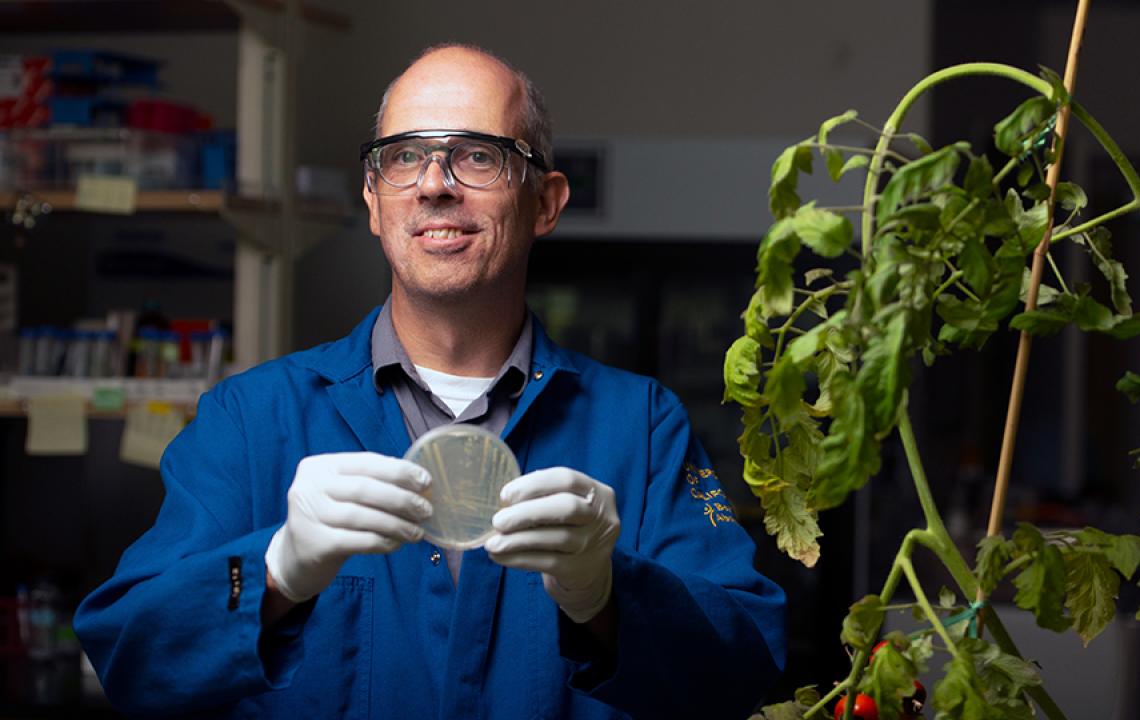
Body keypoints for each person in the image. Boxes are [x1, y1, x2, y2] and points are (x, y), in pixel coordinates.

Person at [74, 43, 786, 718]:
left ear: (545, 201)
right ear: (374, 197)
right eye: (404, 156)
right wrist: (276, 571)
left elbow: (746, 668)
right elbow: (130, 658)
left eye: (478, 155)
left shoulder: (642, 426)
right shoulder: (252, 418)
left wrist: (606, 596)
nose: (435, 184)